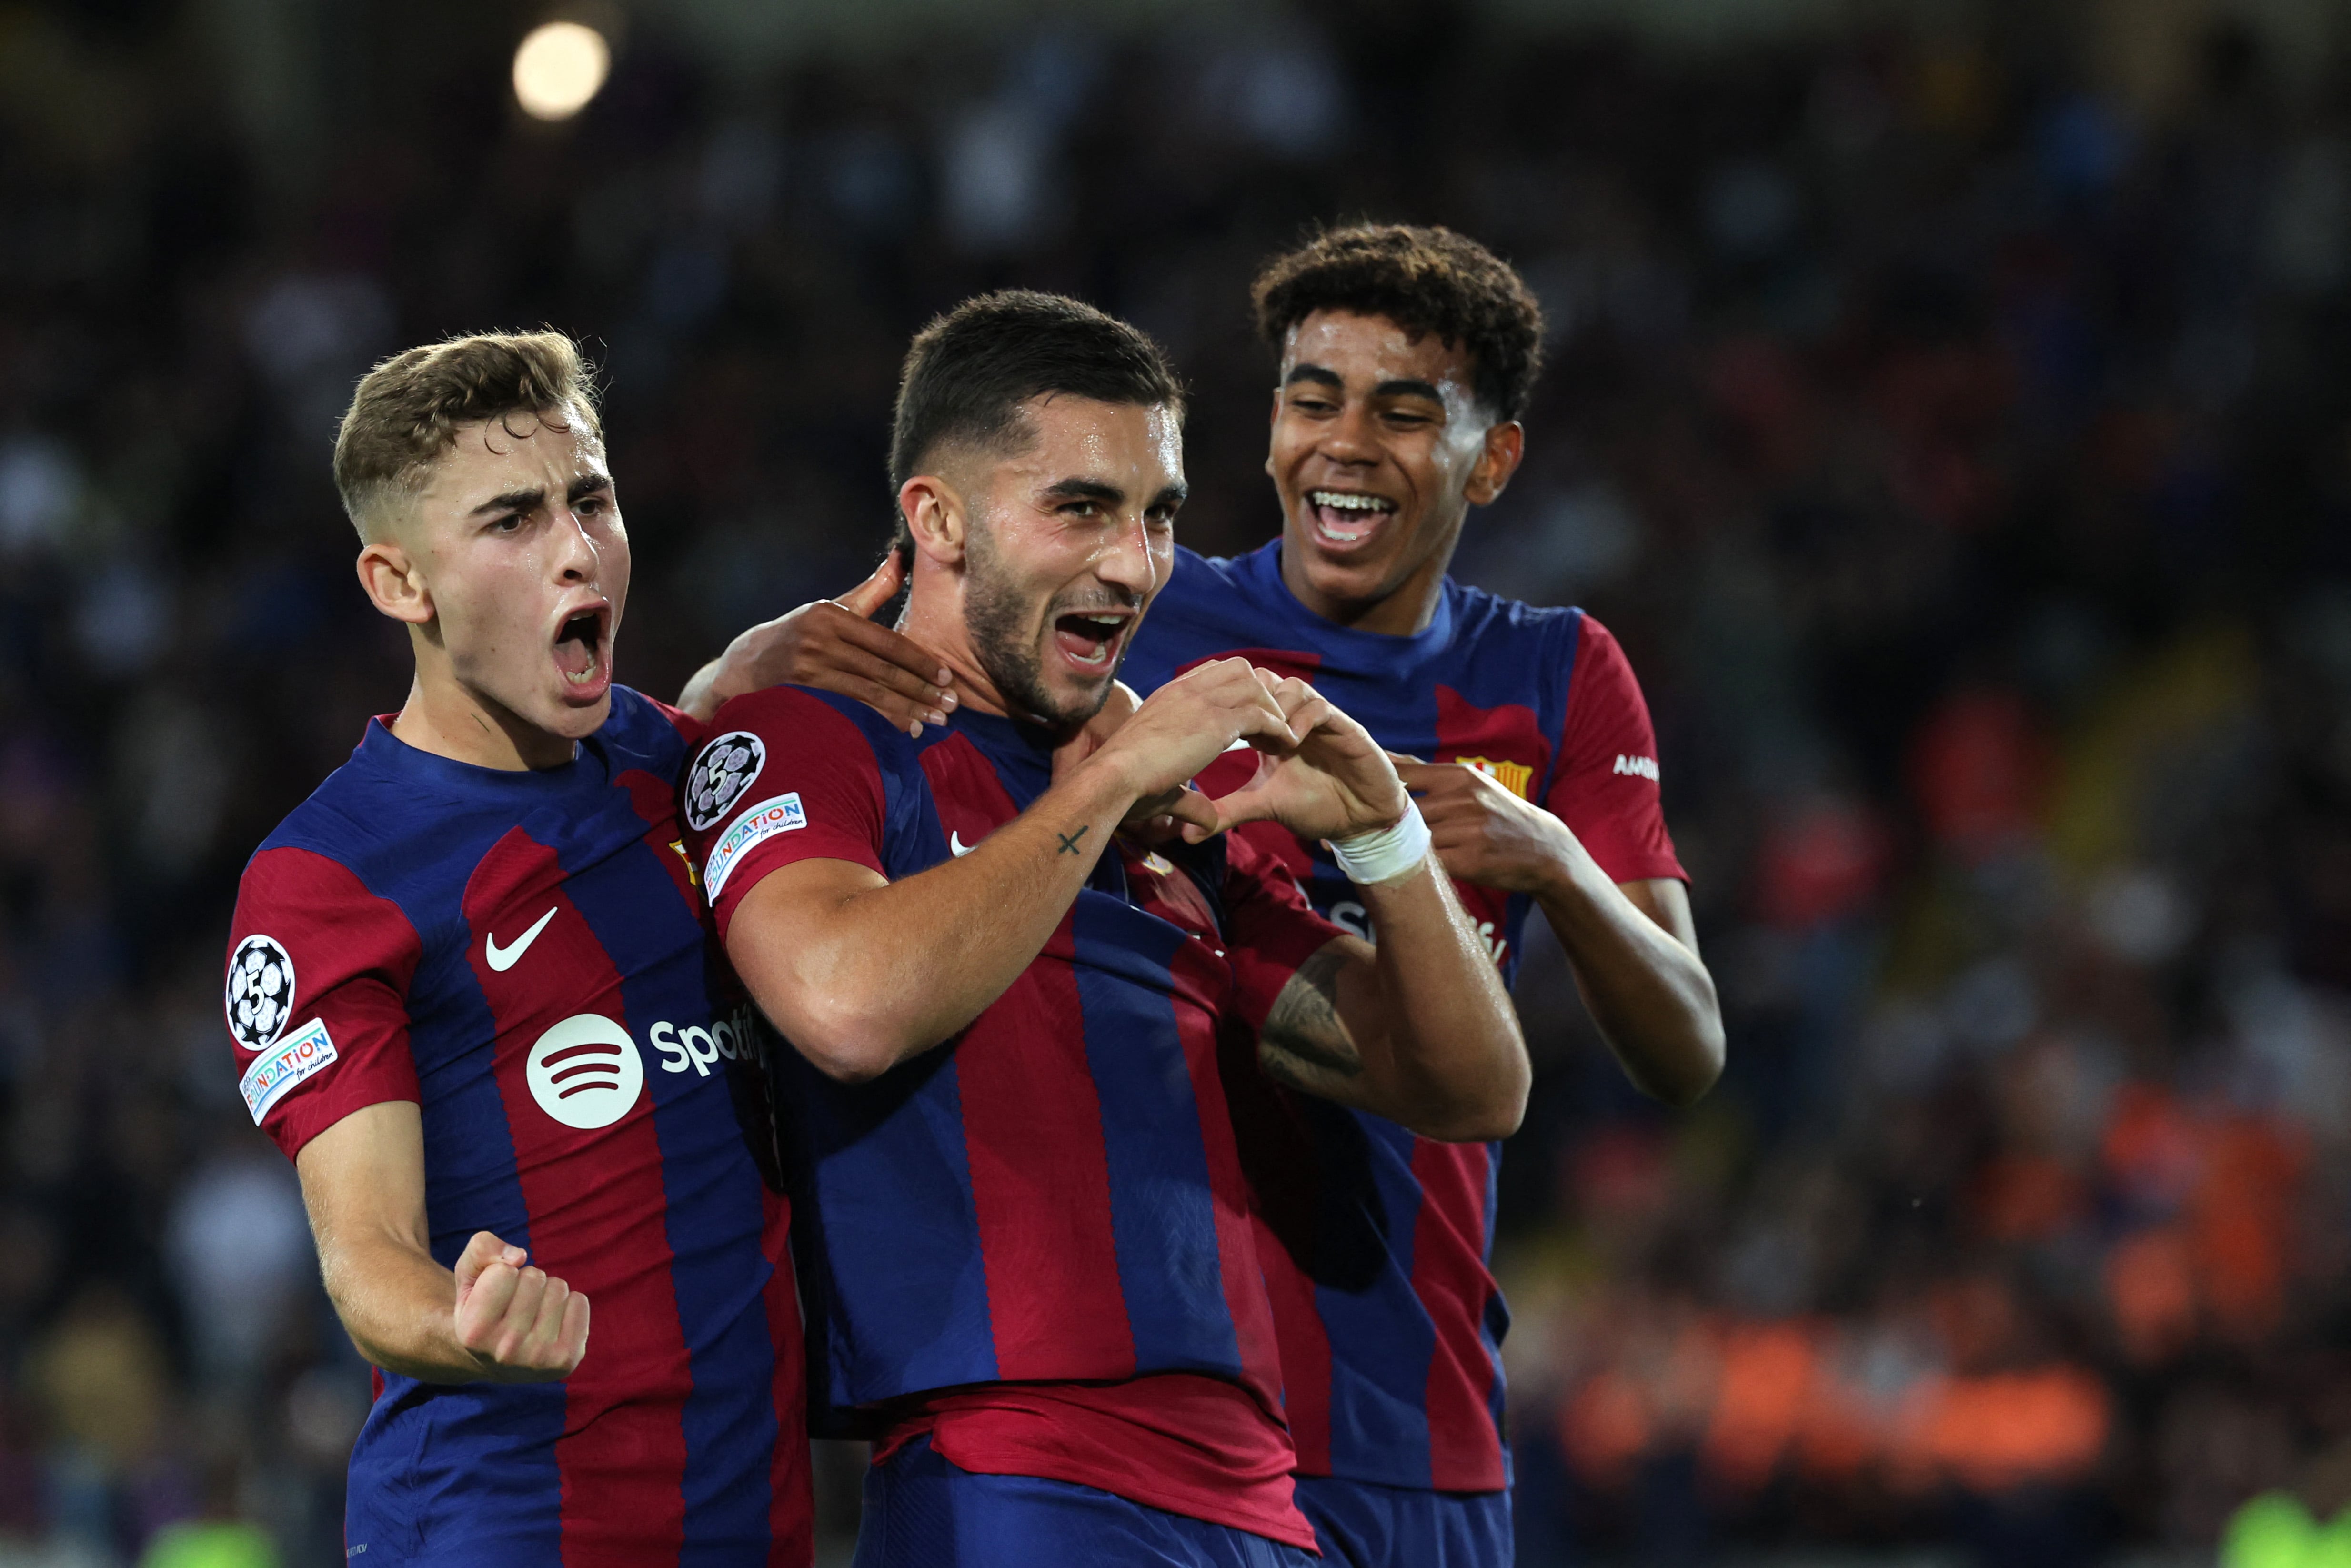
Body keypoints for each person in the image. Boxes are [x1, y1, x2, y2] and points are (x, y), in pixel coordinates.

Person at [677, 290, 1531, 1568]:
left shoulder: (1174, 818)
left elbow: (1475, 1083)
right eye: (1080, 507)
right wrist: (1114, 780)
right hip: (1008, 1479)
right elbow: (847, 1004)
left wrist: (1386, 843)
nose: (1136, 564)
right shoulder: (815, 739)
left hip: (1260, 1495)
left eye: (1160, 514)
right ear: (938, 519)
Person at [1117, 223, 1728, 1566]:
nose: (1344, 441)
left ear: (1491, 457)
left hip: (1414, 1407)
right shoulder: (1142, 619)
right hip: (1157, 1389)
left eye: (1404, 411)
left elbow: (1687, 1041)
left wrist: (1557, 858)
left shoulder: (1559, 672)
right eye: (1312, 397)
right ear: (1270, 426)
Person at [222, 332, 858, 1566]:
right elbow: (366, 1262)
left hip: (753, 1526)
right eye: (511, 519)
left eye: (592, 498)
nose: (577, 547)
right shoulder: (329, 879)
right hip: (503, 1527)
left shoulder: (670, 768)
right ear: (399, 584)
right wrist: (463, 1320)